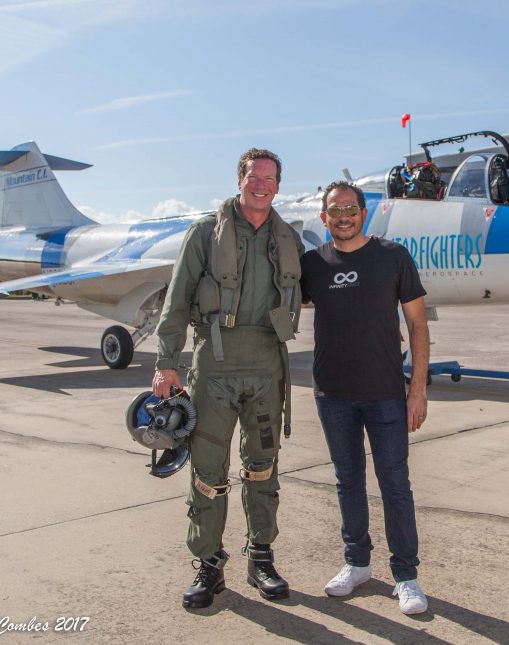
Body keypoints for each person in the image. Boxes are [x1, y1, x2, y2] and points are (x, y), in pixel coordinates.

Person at [152, 148, 304, 609]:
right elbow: (177, 299)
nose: (262, 185)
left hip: (265, 367)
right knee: (208, 473)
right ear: (240, 180)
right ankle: (209, 564)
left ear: (278, 184)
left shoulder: (288, 239)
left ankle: (261, 556)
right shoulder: (204, 234)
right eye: (254, 177)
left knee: (263, 466)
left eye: (270, 178)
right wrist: (166, 361)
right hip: (214, 367)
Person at [300, 180, 431, 615]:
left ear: (363, 213)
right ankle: (357, 564)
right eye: (335, 210)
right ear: (324, 218)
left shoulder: (392, 257)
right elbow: (277, 305)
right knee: (348, 482)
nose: (343, 216)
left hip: (385, 395)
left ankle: (406, 576)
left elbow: (417, 326)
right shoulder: (312, 265)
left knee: (395, 484)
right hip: (332, 395)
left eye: (351, 208)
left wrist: (417, 391)